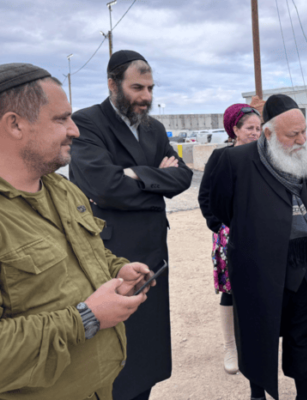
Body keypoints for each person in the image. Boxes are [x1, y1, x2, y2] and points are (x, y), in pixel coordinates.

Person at [0, 63, 155, 399]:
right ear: (15, 124)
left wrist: (118, 269)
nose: (75, 130)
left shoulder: (64, 191)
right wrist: (86, 318)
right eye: (61, 119)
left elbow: (89, 252)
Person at [69, 50, 193, 400]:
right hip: (113, 253)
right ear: (112, 84)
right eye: (137, 87)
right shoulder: (89, 122)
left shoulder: (151, 127)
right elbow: (104, 187)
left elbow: (183, 177)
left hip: (153, 251)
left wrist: (133, 174)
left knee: (148, 349)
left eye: (151, 88)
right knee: (117, 351)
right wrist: (157, 179)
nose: (146, 97)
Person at [210, 94, 307, 400]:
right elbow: (219, 208)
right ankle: (258, 392)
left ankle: (304, 392)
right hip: (259, 266)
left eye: (303, 131)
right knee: (259, 332)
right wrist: (259, 232)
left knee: (303, 333)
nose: (301, 140)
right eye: (292, 135)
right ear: (268, 133)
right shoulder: (235, 161)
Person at [198, 103, 262, 374]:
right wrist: (221, 225)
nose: (255, 133)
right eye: (250, 128)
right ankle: (230, 346)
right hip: (230, 236)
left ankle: (257, 344)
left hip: (262, 235)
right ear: (235, 129)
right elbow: (205, 196)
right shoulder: (221, 157)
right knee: (230, 292)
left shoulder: (267, 155)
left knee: (261, 289)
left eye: (259, 128)